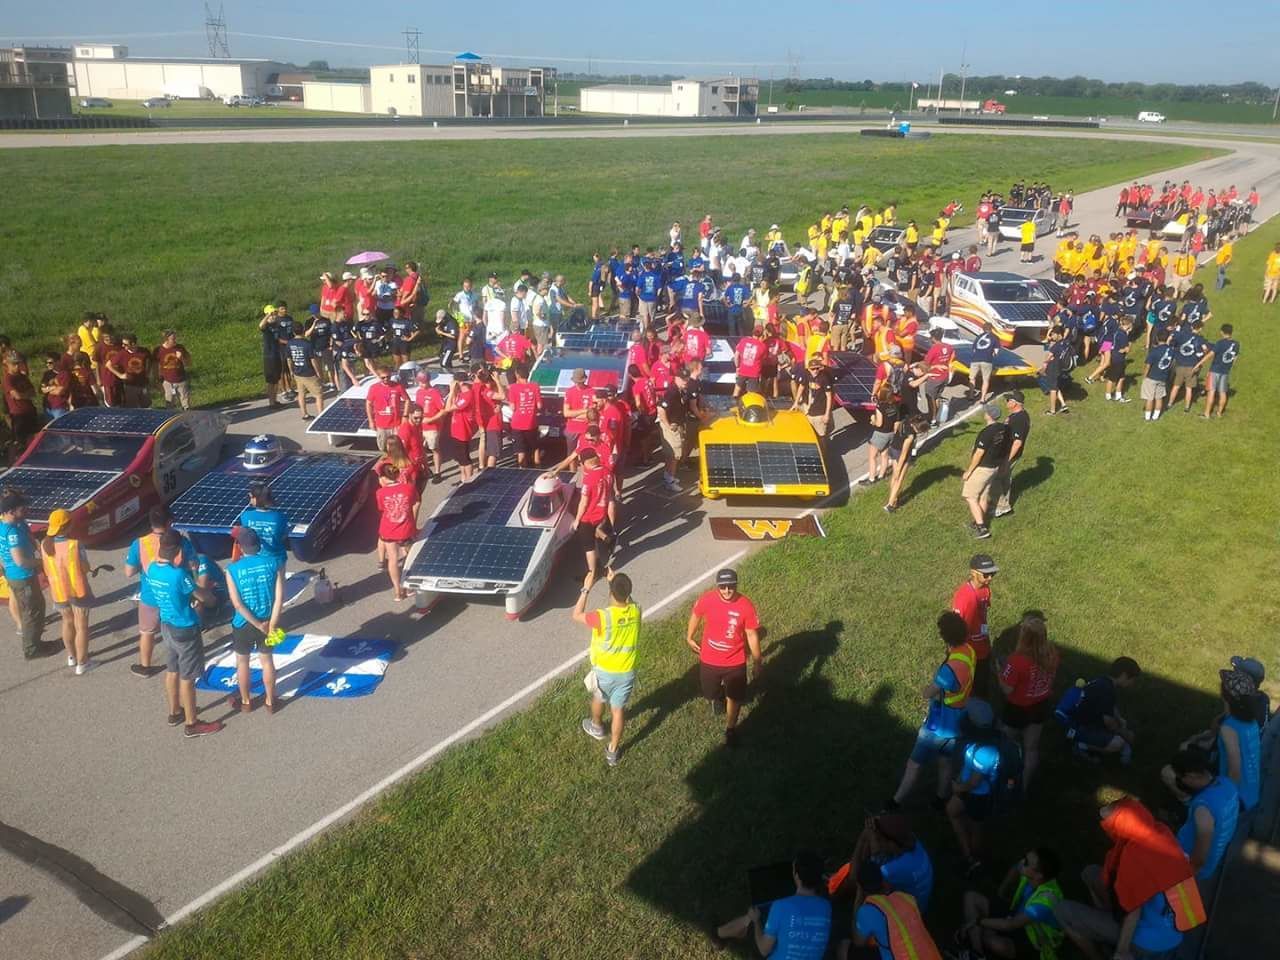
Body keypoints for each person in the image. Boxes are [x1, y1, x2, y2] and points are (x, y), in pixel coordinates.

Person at [1053, 797, 1200, 960]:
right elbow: (1187, 891)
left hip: (1145, 942)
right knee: (1090, 873)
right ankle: (1107, 921)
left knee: (1061, 910)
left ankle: (1101, 954)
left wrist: (1121, 952)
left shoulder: (1134, 859)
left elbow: (1132, 911)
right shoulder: (1164, 837)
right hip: (1176, 931)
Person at [888, 611, 975, 810]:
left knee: (914, 764)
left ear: (945, 637)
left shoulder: (949, 670)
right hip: (958, 722)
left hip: (938, 725)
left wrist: (924, 689)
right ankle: (940, 798)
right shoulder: (969, 651)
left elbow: (929, 693)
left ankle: (895, 802)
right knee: (945, 762)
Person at [147, 531, 222, 738]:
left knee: (172, 670)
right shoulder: (178, 575)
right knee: (188, 677)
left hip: (166, 624)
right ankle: (192, 723)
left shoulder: (152, 569)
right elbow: (202, 595)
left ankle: (175, 711)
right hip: (185, 627)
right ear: (178, 550)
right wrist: (207, 592)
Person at [687, 568, 761, 747]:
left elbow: (751, 635)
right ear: (717, 586)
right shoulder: (707, 599)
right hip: (709, 659)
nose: (727, 590)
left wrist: (758, 660)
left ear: (736, 585)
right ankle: (718, 697)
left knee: (735, 697)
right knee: (709, 692)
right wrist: (689, 637)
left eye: (731, 586)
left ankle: (730, 729)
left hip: (735, 662)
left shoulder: (746, 605)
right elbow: (696, 615)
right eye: (723, 587)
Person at [574, 571, 639, 767]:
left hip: (604, 671)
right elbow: (632, 601)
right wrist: (614, 581)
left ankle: (597, 726)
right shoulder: (637, 611)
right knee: (618, 710)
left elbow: (576, 614)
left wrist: (586, 589)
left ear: (611, 592)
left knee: (598, 698)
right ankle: (612, 751)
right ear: (628, 594)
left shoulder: (602, 617)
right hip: (627, 671)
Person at [716, 851, 832, 959]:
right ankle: (727, 933)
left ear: (796, 876)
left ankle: (719, 934)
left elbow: (764, 950)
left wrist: (756, 921)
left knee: (752, 917)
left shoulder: (781, 906)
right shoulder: (826, 907)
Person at [956, 848, 1065, 960]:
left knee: (992, 941)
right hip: (1015, 915)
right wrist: (1001, 891)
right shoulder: (1029, 872)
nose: (1022, 862)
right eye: (1024, 857)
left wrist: (977, 922)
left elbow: (1010, 925)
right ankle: (977, 953)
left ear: (1038, 875)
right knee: (971, 897)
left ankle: (975, 938)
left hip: (1033, 938)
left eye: (1026, 862)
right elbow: (1015, 868)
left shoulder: (1046, 900)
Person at [225, 527, 285, 714]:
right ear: (259, 545)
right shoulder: (274, 563)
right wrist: (270, 625)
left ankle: (245, 701)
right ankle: (270, 700)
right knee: (267, 661)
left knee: (242, 662)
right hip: (268, 620)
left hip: (243, 624)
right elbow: (279, 598)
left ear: (241, 548)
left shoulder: (232, 570)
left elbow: (237, 605)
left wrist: (257, 624)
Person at [830, 813, 934, 915]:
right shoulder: (907, 840)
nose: (877, 841)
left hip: (906, 914)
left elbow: (855, 876)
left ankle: (834, 895)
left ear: (891, 843)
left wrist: (863, 837)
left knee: (857, 878)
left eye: (879, 839)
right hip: (913, 900)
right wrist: (877, 825)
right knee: (869, 854)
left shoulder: (891, 870)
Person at [997, 615, 1057, 789]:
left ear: (1024, 637)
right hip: (1041, 705)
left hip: (1017, 709)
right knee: (1031, 748)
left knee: (1007, 743)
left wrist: (999, 673)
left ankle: (1003, 780)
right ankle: (1024, 786)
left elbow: (1007, 689)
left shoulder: (1017, 661)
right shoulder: (1052, 653)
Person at [1163, 746, 1238, 882]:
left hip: (1186, 862)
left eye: (1180, 777)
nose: (1179, 781)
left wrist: (1184, 875)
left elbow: (1200, 857)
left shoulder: (1203, 809)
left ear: (1191, 776)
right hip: (1213, 856)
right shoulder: (1227, 783)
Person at [947, 699, 1004, 870]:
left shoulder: (986, 752)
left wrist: (958, 788)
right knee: (952, 811)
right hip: (967, 790)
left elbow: (975, 782)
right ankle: (967, 852)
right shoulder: (978, 741)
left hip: (978, 796)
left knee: (975, 829)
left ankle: (973, 859)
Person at [845, 859, 939, 960]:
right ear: (883, 881)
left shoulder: (867, 911)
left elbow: (858, 942)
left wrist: (858, 899)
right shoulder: (907, 898)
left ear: (861, 888)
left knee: (844, 947)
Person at [40, 509, 97, 674]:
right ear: (67, 526)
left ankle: (71, 657)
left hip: (58, 591)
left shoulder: (44, 545)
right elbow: (85, 568)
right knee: (82, 627)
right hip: (77, 590)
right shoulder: (75, 544)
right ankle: (83, 663)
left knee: (67, 622)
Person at [1, 489, 51, 660]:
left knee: (35, 608)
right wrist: (42, 563)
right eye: (22, 508)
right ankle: (32, 649)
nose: (26, 510)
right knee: (32, 613)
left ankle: (36, 642)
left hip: (16, 575)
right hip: (22, 576)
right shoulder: (12, 533)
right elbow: (20, 560)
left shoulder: (13, 525)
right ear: (10, 511)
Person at [1065, 657, 1141, 764]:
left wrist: (1119, 719)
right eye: (1132, 680)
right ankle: (1080, 745)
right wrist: (1124, 733)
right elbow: (1108, 722)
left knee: (1121, 731)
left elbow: (1110, 707)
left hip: (1079, 722)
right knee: (1118, 743)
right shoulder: (1108, 690)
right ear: (1124, 676)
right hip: (1077, 729)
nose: (1132, 684)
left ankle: (1086, 741)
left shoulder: (1103, 681)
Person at [1216, 667, 1262, 812]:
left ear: (1224, 695)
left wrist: (1226, 799)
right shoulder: (1251, 721)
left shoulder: (1229, 728)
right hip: (1252, 791)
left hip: (1237, 797)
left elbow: (1234, 771)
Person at [960, 403, 1008, 539]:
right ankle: (978, 522)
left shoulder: (986, 432)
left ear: (988, 416)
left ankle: (981, 528)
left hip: (982, 468)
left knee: (970, 496)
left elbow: (978, 454)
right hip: (994, 467)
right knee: (983, 496)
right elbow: (1006, 449)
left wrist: (969, 471)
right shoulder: (1004, 429)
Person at [375, 464, 418, 601]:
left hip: (388, 530)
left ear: (382, 477)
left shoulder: (380, 493)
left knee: (393, 559)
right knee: (409, 557)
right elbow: (415, 502)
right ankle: (409, 587)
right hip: (405, 529)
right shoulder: (409, 488)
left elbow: (382, 509)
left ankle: (398, 591)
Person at [992, 392, 1029, 520]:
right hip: (1006, 453)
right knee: (1005, 479)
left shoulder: (1019, 420)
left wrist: (1007, 460)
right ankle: (1003, 506)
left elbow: (1017, 442)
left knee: (995, 478)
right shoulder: (1017, 415)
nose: (1006, 402)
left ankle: (1002, 506)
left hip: (1009, 455)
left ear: (1014, 403)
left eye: (1008, 400)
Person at [882, 415, 930, 513]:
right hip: (901, 454)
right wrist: (900, 468)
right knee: (899, 479)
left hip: (893, 448)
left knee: (894, 478)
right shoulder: (910, 436)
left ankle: (893, 499)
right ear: (918, 429)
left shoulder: (906, 421)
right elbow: (904, 454)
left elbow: (896, 427)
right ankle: (890, 505)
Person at [237, 482, 289, 569]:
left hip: (255, 557)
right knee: (279, 581)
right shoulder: (280, 516)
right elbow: (283, 535)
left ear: (255, 499)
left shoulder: (245, 516)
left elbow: (247, 535)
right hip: (276, 557)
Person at [657, 366, 689, 492]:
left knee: (673, 455)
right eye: (682, 379)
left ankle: (669, 476)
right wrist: (668, 424)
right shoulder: (672, 392)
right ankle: (669, 481)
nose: (685, 381)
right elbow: (661, 408)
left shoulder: (680, 390)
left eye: (686, 378)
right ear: (676, 378)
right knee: (674, 455)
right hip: (672, 427)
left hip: (677, 424)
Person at [365, 362, 410, 452]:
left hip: (396, 424)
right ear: (379, 376)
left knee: (398, 448)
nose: (386, 379)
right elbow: (368, 404)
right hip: (381, 425)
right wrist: (371, 421)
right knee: (383, 448)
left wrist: (405, 416)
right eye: (383, 377)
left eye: (388, 377)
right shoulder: (374, 388)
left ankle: (398, 463)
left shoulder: (398, 386)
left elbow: (407, 400)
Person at [285, 330, 325, 421]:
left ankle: (304, 414)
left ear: (294, 332)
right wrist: (318, 372)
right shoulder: (307, 344)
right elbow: (313, 360)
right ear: (302, 331)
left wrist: (291, 370)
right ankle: (321, 417)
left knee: (301, 394)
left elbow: (289, 359)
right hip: (309, 373)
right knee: (318, 395)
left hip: (297, 372)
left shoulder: (289, 343)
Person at [1201, 323, 1238, 419]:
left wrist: (1199, 363)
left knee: (1211, 391)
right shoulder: (1236, 344)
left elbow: (1210, 355)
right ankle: (1219, 413)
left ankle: (1207, 414)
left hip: (1215, 370)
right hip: (1225, 371)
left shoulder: (1220, 343)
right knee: (1223, 393)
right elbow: (1234, 359)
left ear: (1222, 332)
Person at [3, 352, 39, 449]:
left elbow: (33, 392)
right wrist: (25, 394)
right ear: (8, 365)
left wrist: (23, 395)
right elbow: (16, 395)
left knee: (34, 438)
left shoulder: (22, 376)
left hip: (30, 410)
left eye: (18, 363)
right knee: (20, 441)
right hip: (18, 413)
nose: (17, 366)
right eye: (14, 364)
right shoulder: (8, 379)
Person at [1141, 326, 1175, 422]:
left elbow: (1148, 366)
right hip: (1163, 377)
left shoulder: (1154, 351)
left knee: (1149, 398)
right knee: (1159, 398)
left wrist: (1144, 377)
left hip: (1152, 377)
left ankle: (1147, 417)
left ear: (1156, 338)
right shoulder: (1171, 351)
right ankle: (1156, 417)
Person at [153, 330, 192, 410]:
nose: (175, 340)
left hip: (181, 380)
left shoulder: (180, 348)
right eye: (173, 339)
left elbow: (188, 363)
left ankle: (187, 417)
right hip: (167, 381)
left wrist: (181, 358)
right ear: (166, 340)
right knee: (169, 403)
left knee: (186, 404)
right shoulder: (158, 350)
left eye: (175, 338)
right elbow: (154, 366)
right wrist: (156, 379)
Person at [259, 304, 285, 407]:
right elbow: (261, 325)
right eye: (272, 314)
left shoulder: (276, 325)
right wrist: (267, 315)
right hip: (269, 356)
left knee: (276, 379)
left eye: (274, 313)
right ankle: (271, 402)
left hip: (277, 354)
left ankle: (275, 400)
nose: (274, 315)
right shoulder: (266, 327)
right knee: (271, 381)